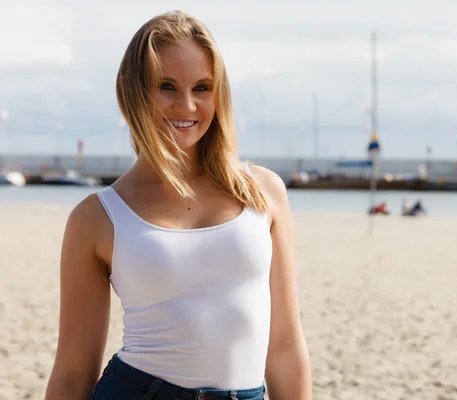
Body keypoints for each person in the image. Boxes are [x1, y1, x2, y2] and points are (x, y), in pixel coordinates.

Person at [45, 10, 311, 400]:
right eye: (166, 86)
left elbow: (286, 346)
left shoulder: (263, 192)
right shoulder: (97, 216)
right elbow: (72, 372)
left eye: (202, 87)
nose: (186, 106)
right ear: (129, 91)